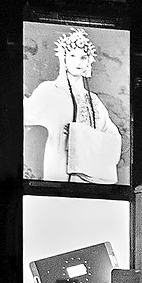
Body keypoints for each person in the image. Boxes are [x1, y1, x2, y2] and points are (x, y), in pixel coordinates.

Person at [23, 26, 127, 182]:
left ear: (88, 61)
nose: (78, 61)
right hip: (59, 172)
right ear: (64, 58)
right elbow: (25, 114)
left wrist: (83, 134)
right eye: (72, 56)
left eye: (83, 57)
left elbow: (113, 137)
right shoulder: (50, 91)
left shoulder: (94, 101)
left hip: (91, 179)